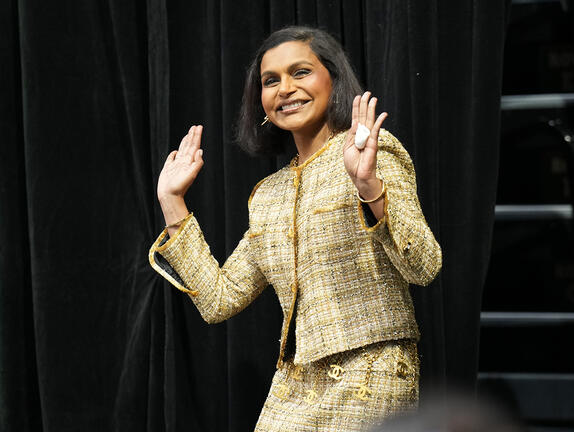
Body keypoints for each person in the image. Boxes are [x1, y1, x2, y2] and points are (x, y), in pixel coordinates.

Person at [149, 26, 442, 431]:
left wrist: (370, 188)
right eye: (271, 81)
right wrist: (172, 202)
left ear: (333, 80)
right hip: (294, 382)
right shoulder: (269, 194)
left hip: (372, 372)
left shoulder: (371, 152)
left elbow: (424, 266)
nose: (285, 88)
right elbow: (219, 299)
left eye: (300, 72)